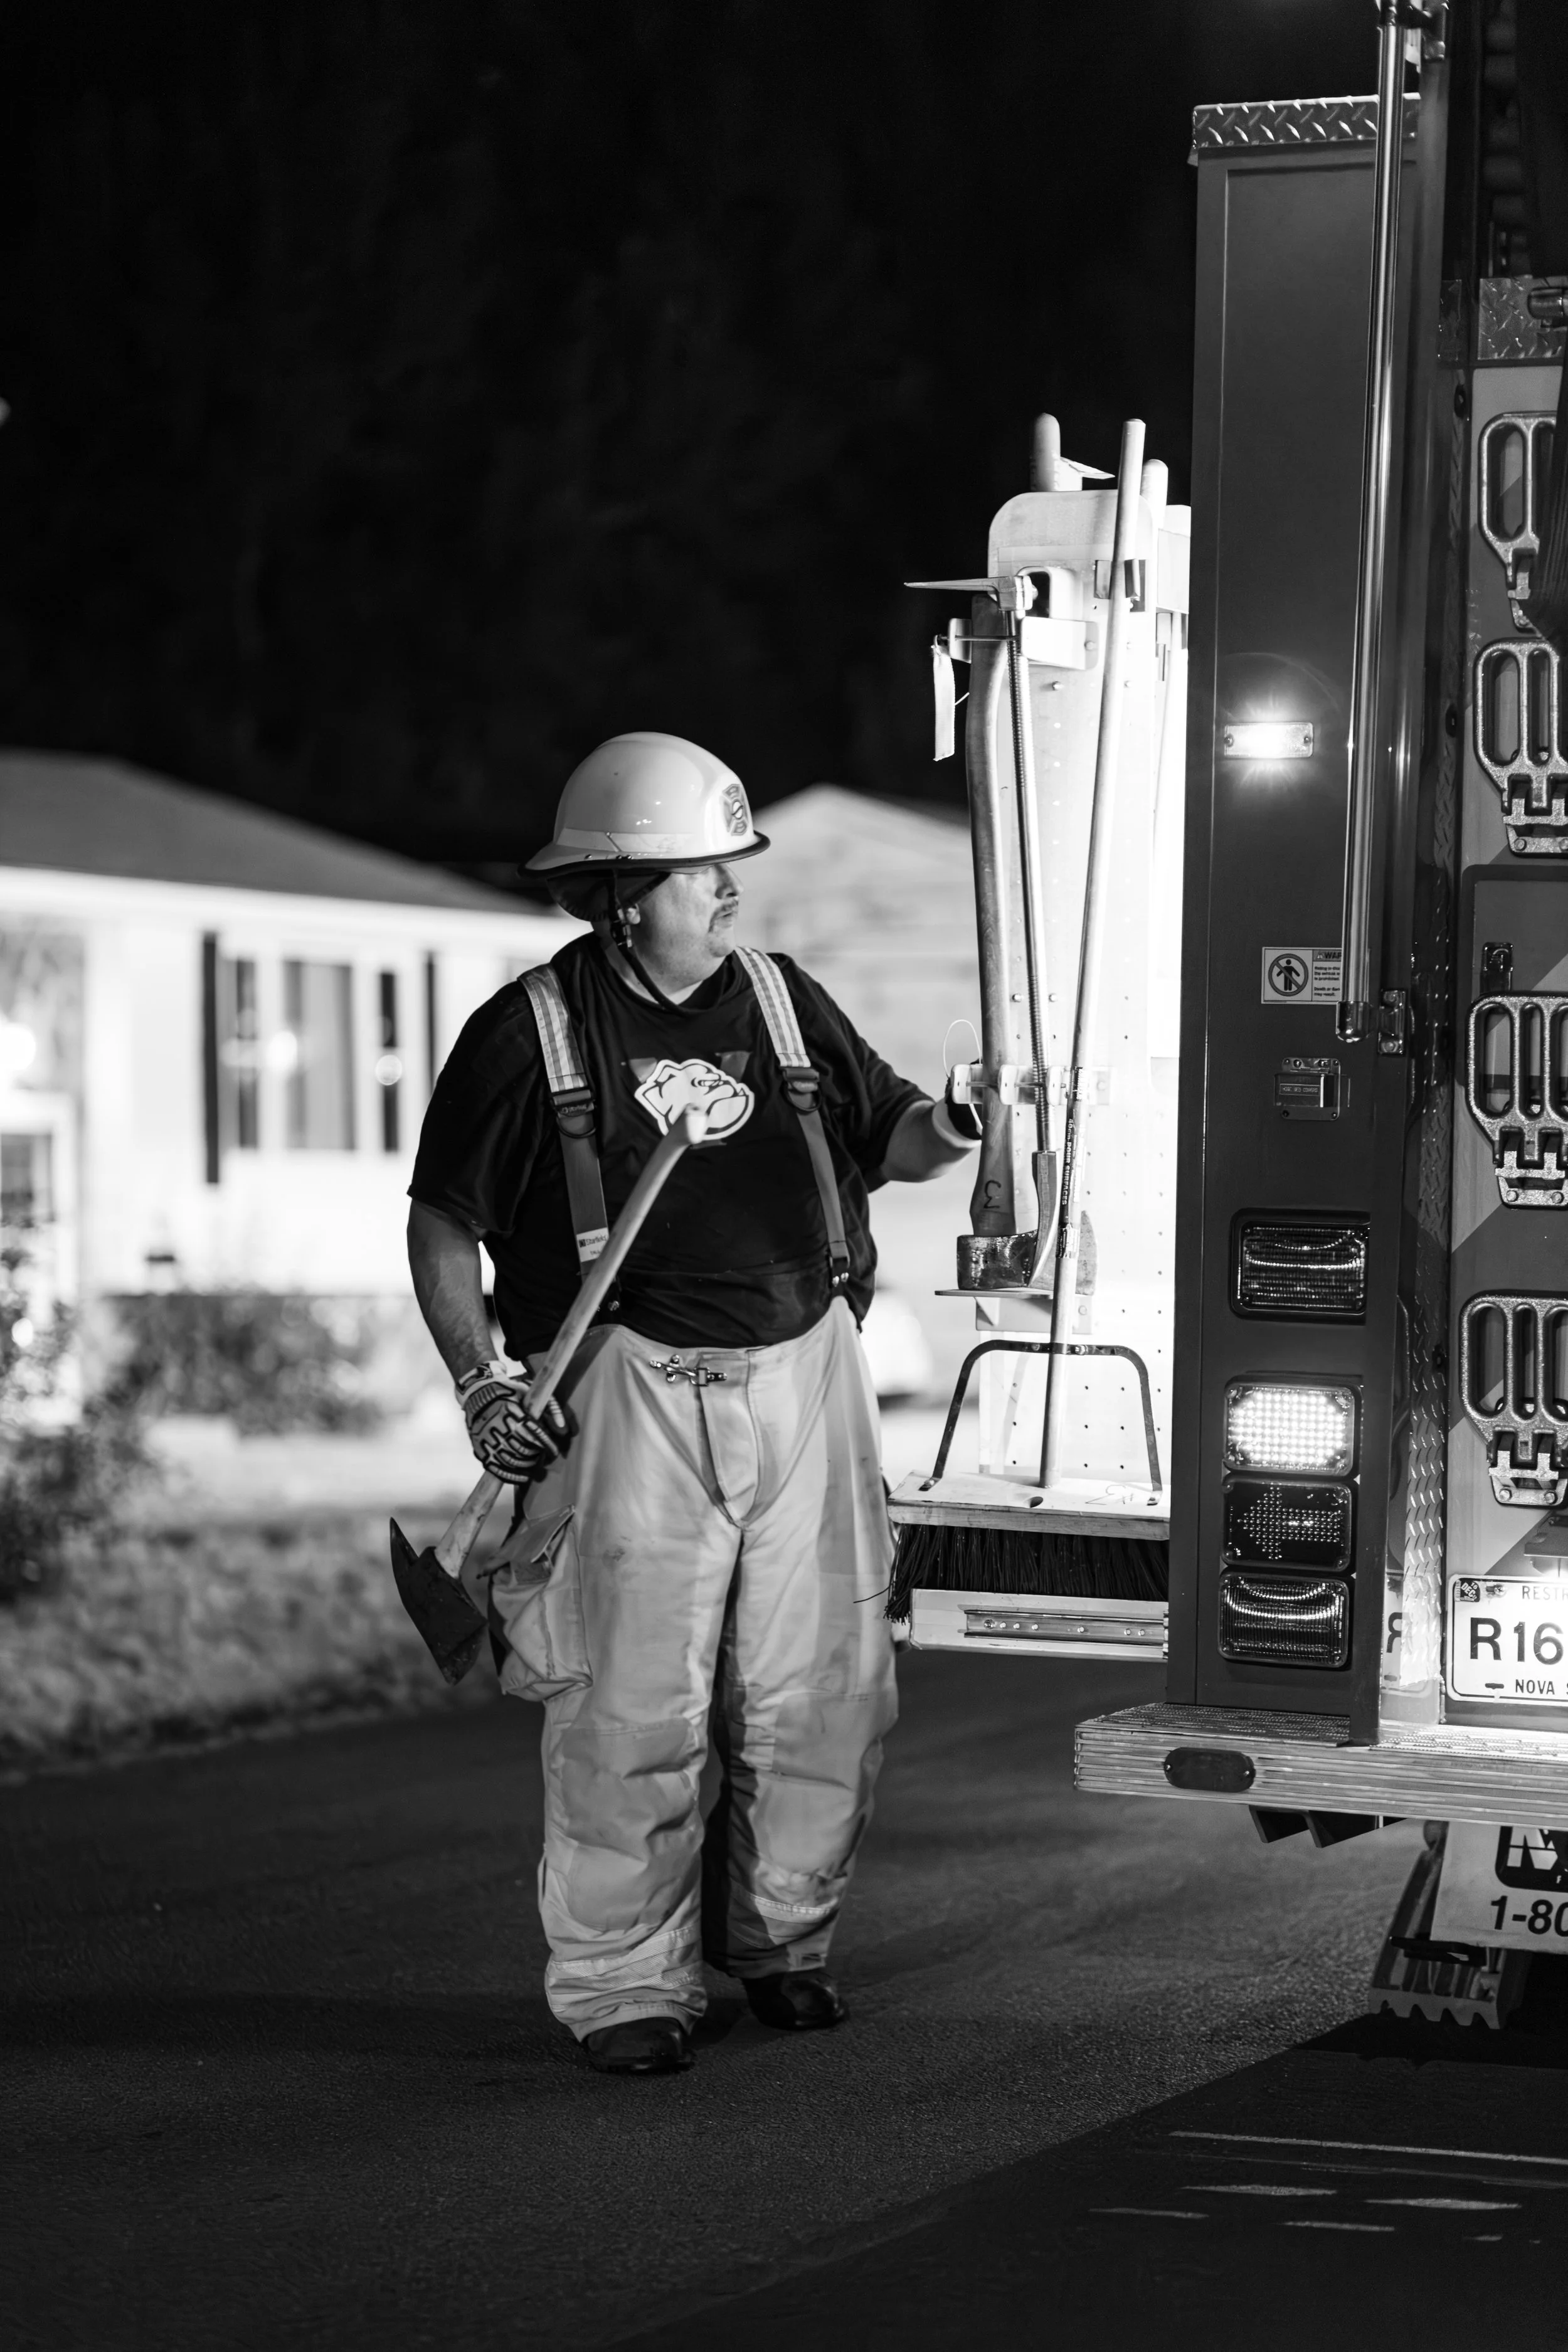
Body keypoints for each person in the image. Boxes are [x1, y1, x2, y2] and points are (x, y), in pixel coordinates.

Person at [407, 731, 978, 2075]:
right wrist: (480, 1377)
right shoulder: (528, 1032)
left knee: (826, 1687)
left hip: (807, 1378)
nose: (729, 887)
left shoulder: (781, 1002)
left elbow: (884, 1133)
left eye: (730, 863)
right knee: (630, 1709)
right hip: (626, 1390)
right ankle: (622, 1988)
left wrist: (952, 1128)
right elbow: (443, 1229)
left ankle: (783, 1944)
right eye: (702, 868)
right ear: (620, 894)